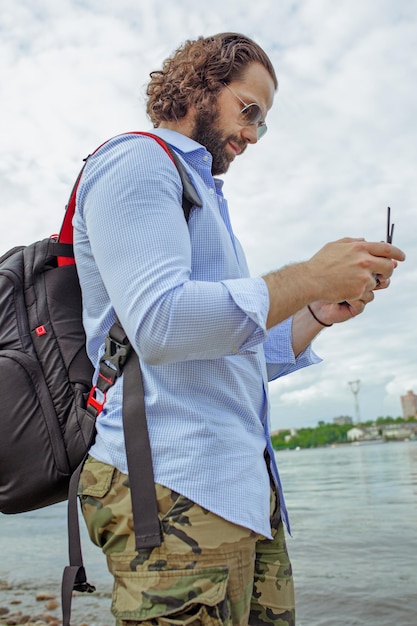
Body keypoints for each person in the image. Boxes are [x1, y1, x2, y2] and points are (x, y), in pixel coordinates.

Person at [74, 32, 405, 626]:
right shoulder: (136, 160)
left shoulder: (203, 192)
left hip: (242, 489)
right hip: (174, 488)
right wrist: (306, 276)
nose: (253, 134)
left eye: (264, 123)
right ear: (200, 83)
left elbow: (227, 355)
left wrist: (315, 312)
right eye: (249, 110)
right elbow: (160, 324)